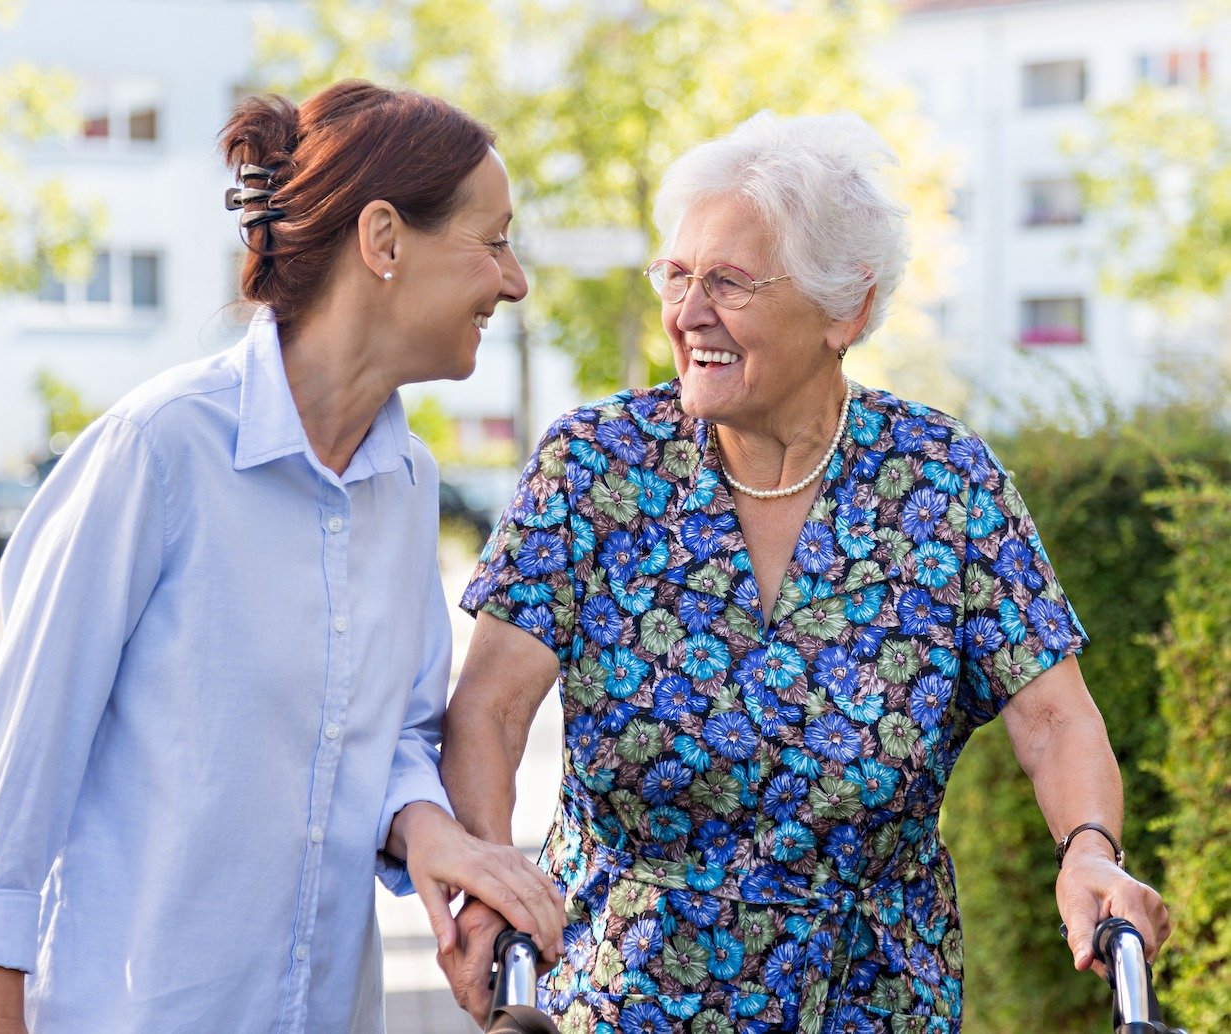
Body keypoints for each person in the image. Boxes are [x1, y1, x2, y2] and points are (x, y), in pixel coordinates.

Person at [438, 111, 1170, 1033]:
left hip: (873, 1000)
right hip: (625, 998)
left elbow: (1056, 717)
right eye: (678, 276)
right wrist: (488, 873)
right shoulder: (595, 466)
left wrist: (1090, 850)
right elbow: (490, 709)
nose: (688, 313)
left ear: (845, 309)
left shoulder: (943, 482)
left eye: (729, 283)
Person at [0, 80, 564, 1033]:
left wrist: (430, 830)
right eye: (494, 240)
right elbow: (24, 760)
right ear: (384, 240)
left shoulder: (406, 483)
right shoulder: (157, 451)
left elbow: (388, 735)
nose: (514, 282)